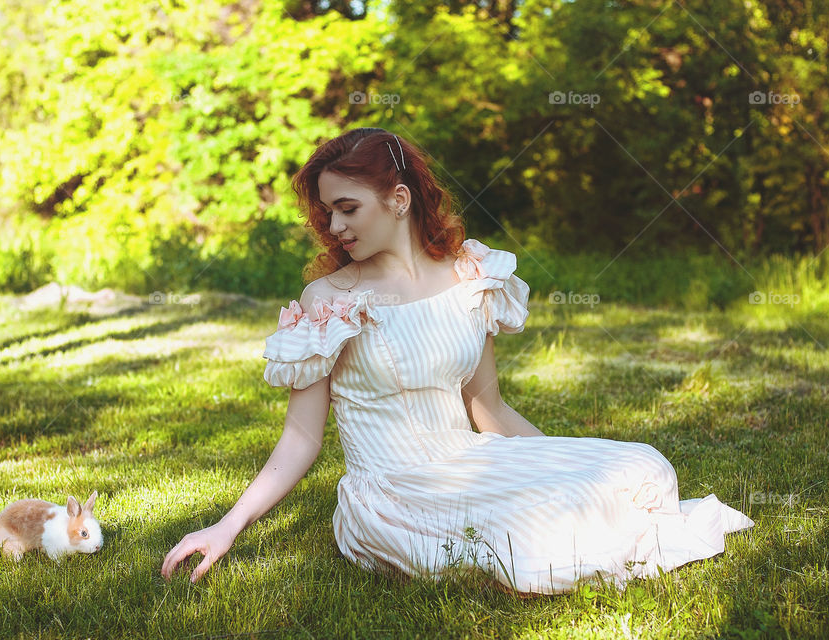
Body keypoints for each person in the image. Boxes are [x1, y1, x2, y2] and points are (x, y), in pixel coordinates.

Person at [161, 127, 755, 594]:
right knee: (533, 533)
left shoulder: (470, 277)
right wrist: (225, 526)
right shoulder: (330, 304)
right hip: (394, 491)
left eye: (348, 208)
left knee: (638, 468)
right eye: (328, 212)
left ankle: (575, 504)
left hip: (469, 459)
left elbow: (488, 406)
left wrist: (563, 471)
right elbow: (299, 439)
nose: (334, 226)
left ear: (398, 200)